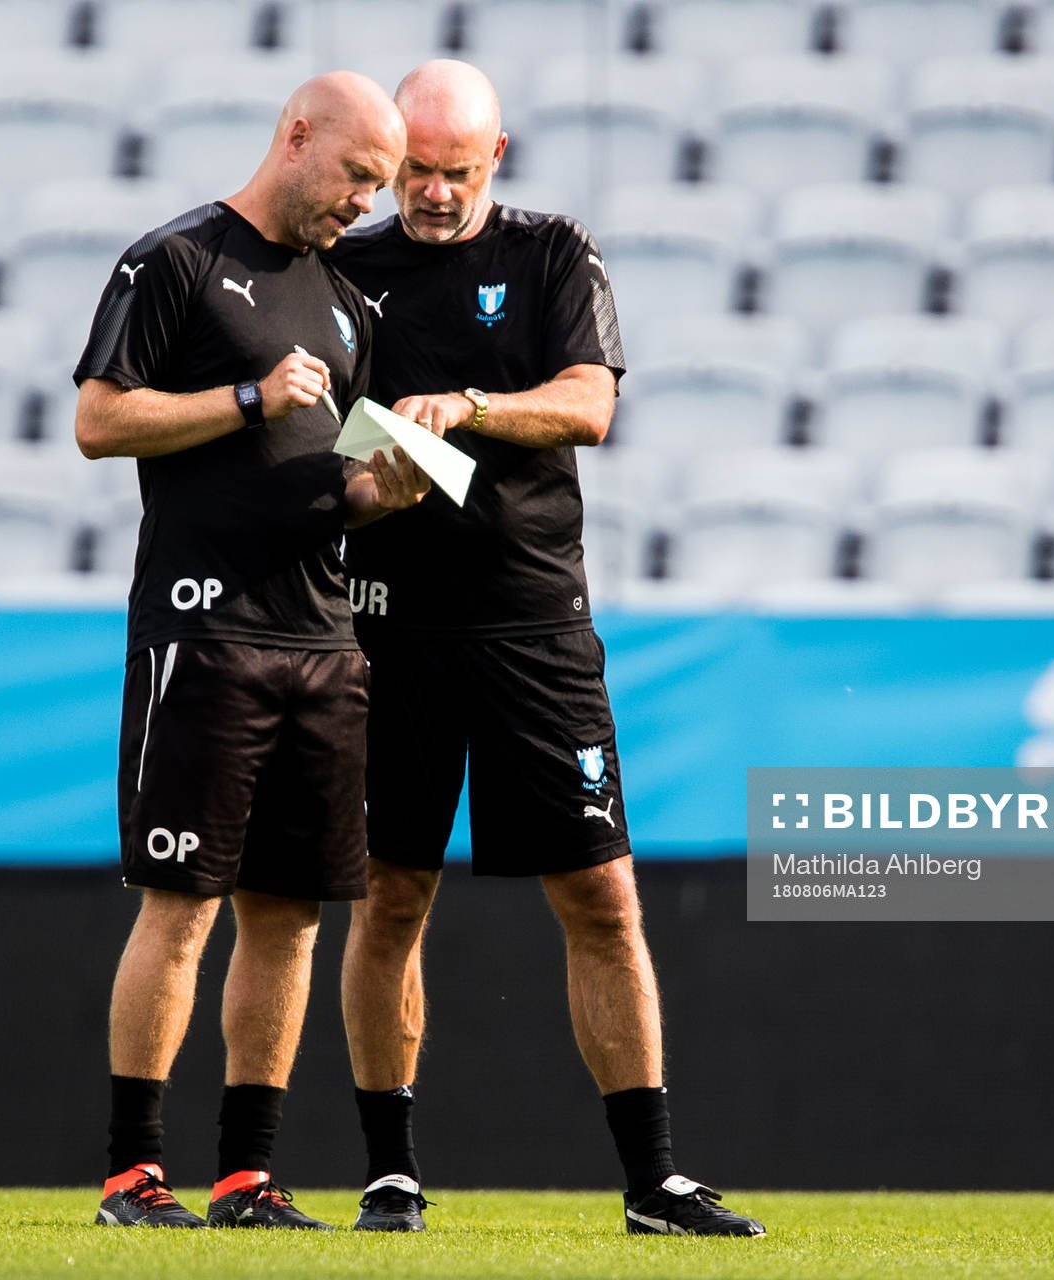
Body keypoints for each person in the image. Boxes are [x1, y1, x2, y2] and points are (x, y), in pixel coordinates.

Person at [325, 59, 765, 1238]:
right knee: (392, 895)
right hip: (387, 628)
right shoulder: (345, 267)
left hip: (533, 624)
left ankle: (653, 1178)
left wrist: (463, 407)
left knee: (602, 897)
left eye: (454, 171)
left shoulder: (552, 252)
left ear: (498, 157)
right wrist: (371, 483)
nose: (428, 192)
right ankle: (389, 1169)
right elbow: (320, 449)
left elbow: (588, 404)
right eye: (413, 170)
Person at [71, 71, 426, 1231]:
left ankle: (247, 1175)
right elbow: (99, 419)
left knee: (291, 914)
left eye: (381, 188)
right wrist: (244, 392)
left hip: (322, 641)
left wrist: (400, 484)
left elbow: (351, 482)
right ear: (296, 135)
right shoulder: (171, 261)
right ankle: (133, 1172)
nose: (365, 205)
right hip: (204, 627)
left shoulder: (349, 304)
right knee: (183, 902)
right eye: (357, 178)